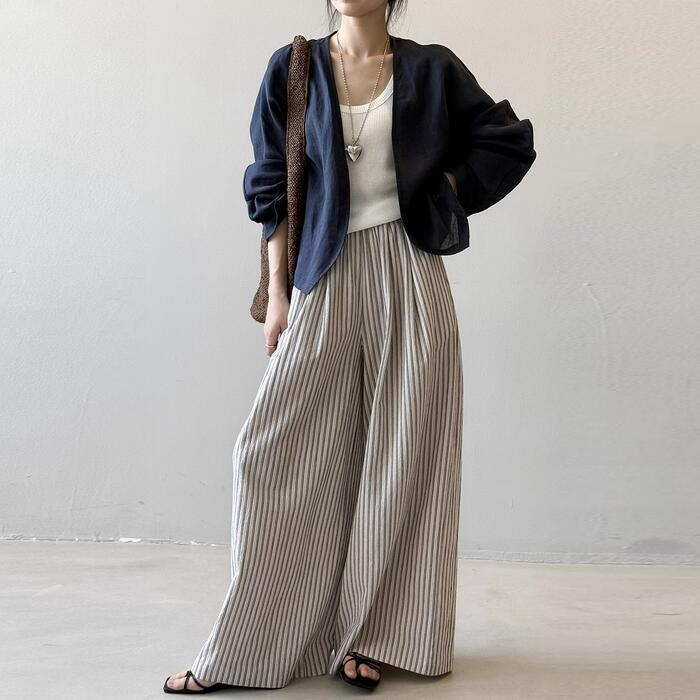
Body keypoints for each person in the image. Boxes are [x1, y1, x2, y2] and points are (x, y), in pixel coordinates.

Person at [164, 0, 535, 693]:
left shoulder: (431, 69)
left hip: (411, 272)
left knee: (404, 459)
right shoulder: (293, 69)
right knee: (268, 455)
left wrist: (444, 188)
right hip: (324, 274)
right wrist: (279, 293)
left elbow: (507, 142)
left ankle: (371, 638)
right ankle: (247, 648)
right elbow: (271, 185)